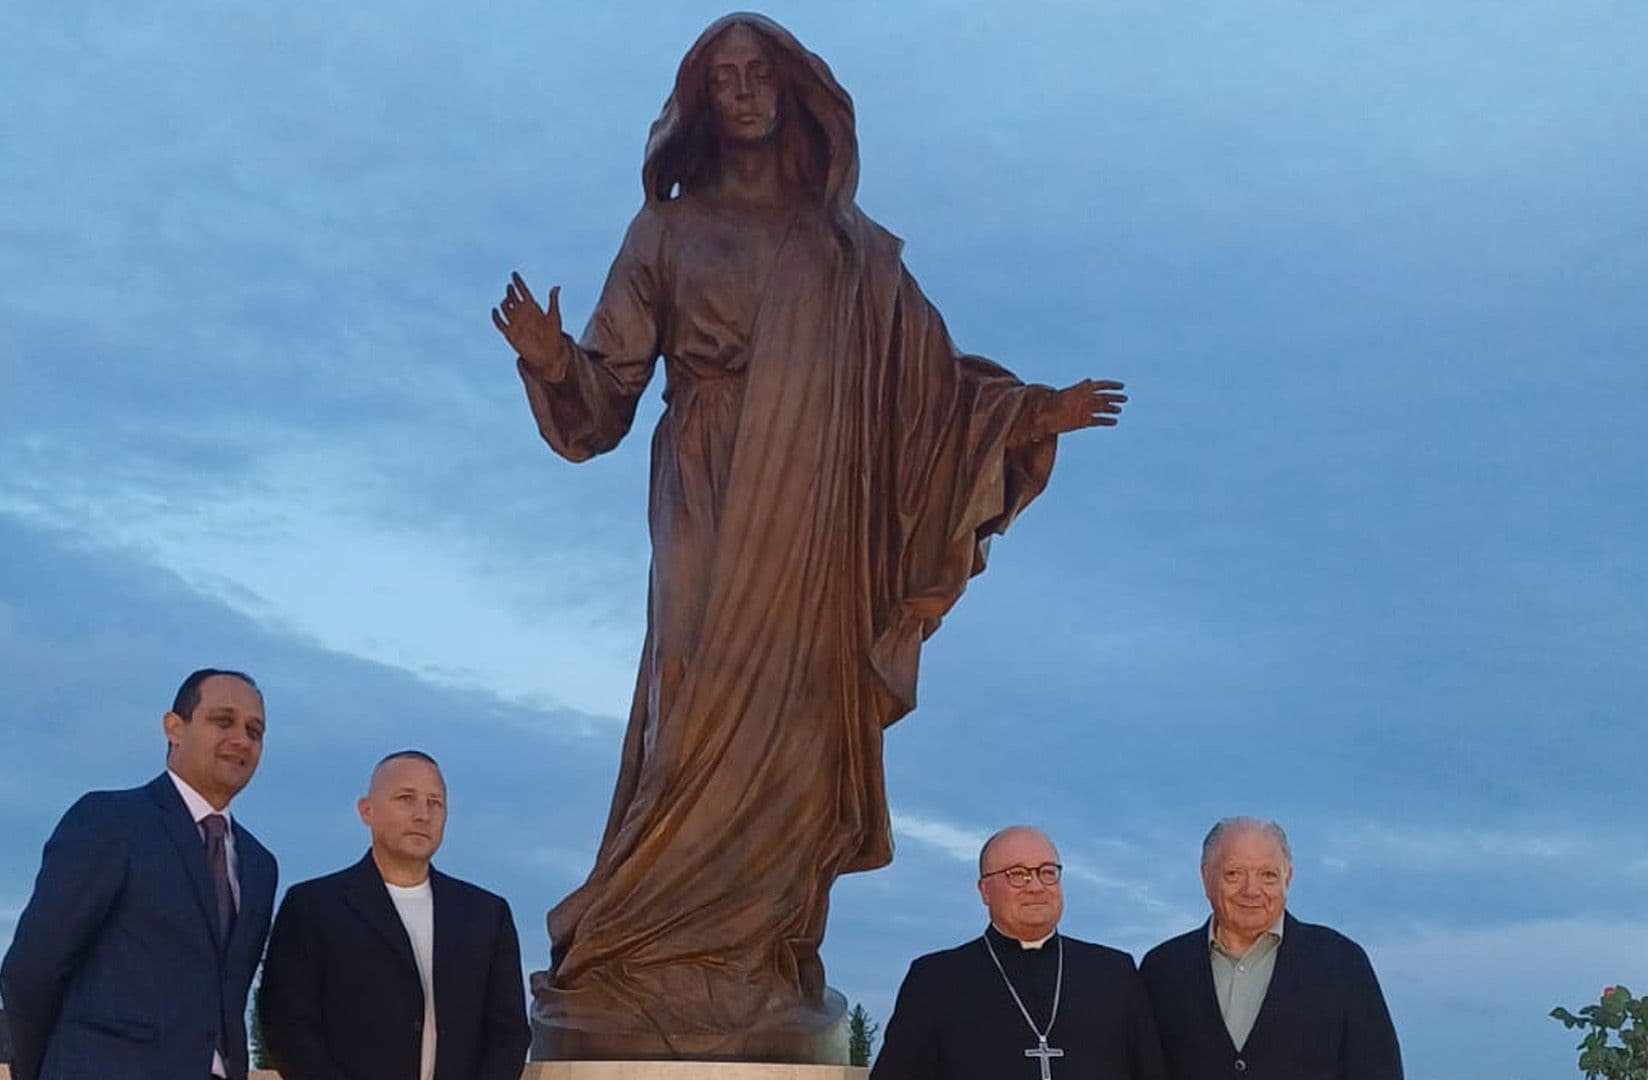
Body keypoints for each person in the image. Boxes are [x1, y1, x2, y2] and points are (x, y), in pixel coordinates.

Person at [489, 12, 1126, 1056]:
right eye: (722, 78)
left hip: (820, 511)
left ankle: (754, 959)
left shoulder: (850, 251)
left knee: (797, 730)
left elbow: (930, 385)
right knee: (690, 719)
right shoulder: (667, 230)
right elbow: (602, 405)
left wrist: (1023, 415)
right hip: (710, 486)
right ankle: (643, 943)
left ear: (791, 91)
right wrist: (555, 360)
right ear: (700, 100)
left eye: (758, 75)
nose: (741, 92)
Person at [0, 668, 277, 1080]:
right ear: (174, 728)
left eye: (255, 730)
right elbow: (31, 969)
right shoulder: (111, 822)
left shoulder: (258, 865)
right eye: (223, 721)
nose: (241, 739)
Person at [258, 750, 530, 1080]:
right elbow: (287, 1024)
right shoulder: (312, 908)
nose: (422, 814)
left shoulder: (486, 916)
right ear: (366, 810)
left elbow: (509, 1033)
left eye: (435, 802)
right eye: (406, 798)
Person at [871, 827, 1165, 1079]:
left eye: (1048, 872)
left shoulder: (1114, 974)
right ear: (985, 890)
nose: (1036, 886)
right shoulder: (935, 981)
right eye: (1018, 875)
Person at [1139, 818, 1403, 1080]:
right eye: (1234, 874)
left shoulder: (1342, 963)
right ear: (1206, 877)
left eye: (1268, 875)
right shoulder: (1162, 970)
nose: (1251, 890)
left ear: (1288, 877)